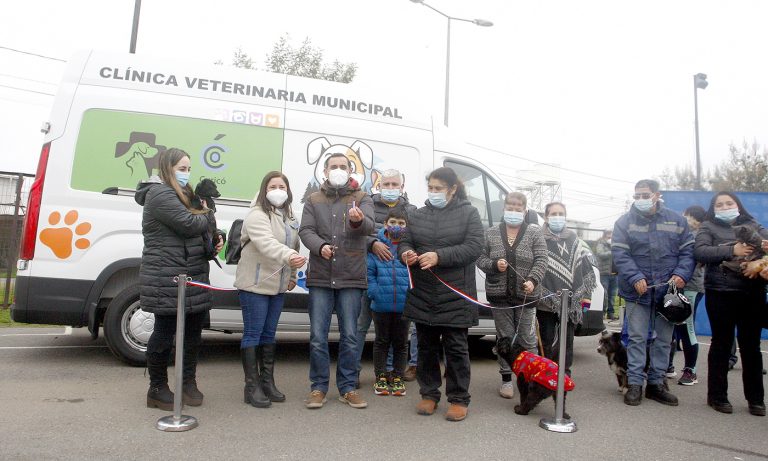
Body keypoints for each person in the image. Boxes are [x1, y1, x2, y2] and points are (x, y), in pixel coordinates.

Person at [135, 148, 223, 410]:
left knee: (193, 335)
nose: (186, 174)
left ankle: (188, 383)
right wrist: (206, 210)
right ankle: (157, 387)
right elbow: (189, 224)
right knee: (164, 333)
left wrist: (214, 243)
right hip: (168, 275)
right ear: (167, 168)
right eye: (181, 169)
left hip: (193, 274)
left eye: (188, 169)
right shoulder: (159, 194)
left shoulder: (186, 195)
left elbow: (199, 235)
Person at [399, 166, 484, 422]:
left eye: (438, 188)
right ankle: (429, 394)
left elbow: (474, 247)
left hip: (455, 293)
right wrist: (406, 253)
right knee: (425, 347)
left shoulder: (469, 213)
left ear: (452, 189)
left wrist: (440, 256)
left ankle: (458, 399)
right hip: (423, 292)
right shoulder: (417, 214)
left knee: (456, 349)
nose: (433, 193)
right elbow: (406, 241)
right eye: (430, 188)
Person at [299, 153, 375, 409]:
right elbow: (305, 231)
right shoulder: (313, 199)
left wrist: (358, 221)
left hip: (351, 276)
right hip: (321, 276)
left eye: (343, 166)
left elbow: (370, 227)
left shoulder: (362, 198)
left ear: (351, 170)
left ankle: (348, 387)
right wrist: (320, 247)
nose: (339, 170)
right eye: (334, 166)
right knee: (318, 337)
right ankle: (318, 388)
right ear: (325, 170)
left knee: (350, 336)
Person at [612, 179, 694, 407]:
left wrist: (681, 275)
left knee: (664, 340)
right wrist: (635, 276)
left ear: (657, 195)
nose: (640, 199)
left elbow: (688, 252)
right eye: (637, 195)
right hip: (636, 292)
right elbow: (620, 254)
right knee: (637, 338)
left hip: (668, 292)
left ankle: (656, 384)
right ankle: (635, 384)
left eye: (645, 195)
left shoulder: (677, 221)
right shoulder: (624, 222)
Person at [235, 171, 306, 408]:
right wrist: (290, 257)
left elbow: (294, 245)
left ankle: (267, 382)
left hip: (278, 285)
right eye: (273, 186)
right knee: (253, 334)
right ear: (265, 189)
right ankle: (251, 386)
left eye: (282, 186)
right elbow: (266, 243)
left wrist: (293, 275)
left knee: (269, 335)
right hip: (255, 284)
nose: (278, 190)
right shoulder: (257, 214)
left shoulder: (290, 216)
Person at [694, 191, 767, 416]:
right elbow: (701, 251)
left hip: (752, 293)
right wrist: (731, 250)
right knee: (721, 345)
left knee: (751, 346)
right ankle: (717, 396)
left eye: (729, 203)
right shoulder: (707, 227)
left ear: (738, 205)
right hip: (720, 292)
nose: (725, 207)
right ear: (713, 209)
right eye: (720, 204)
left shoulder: (753, 224)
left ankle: (756, 399)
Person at [476, 192, 547, 400]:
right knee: (504, 338)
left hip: (526, 295)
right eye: (510, 207)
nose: (513, 211)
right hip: (499, 296)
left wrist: (532, 280)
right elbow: (480, 258)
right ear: (504, 208)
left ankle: (533, 377)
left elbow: (542, 259)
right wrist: (494, 265)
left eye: (518, 208)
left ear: (524, 211)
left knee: (527, 338)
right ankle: (506, 380)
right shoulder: (490, 233)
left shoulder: (534, 233)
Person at [355, 169, 417, 386]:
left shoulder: (411, 210)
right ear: (379, 185)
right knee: (362, 327)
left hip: (399, 285)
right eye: (386, 184)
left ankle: (392, 372)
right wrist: (372, 243)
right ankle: (353, 371)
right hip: (374, 280)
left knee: (399, 337)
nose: (390, 188)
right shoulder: (368, 205)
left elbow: (415, 240)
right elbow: (355, 234)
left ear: (402, 186)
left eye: (394, 184)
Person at [536, 202, 596, 417]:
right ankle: (545, 381)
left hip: (570, 304)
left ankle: (563, 381)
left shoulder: (575, 240)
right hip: (546, 302)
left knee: (566, 344)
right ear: (546, 217)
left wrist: (584, 297)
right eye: (553, 214)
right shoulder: (539, 239)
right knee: (546, 342)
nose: (557, 217)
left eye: (561, 214)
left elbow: (585, 268)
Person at [367, 209, 411, 397]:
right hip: (381, 304)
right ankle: (381, 376)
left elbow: (414, 274)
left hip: (403, 304)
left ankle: (398, 376)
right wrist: (374, 293)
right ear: (385, 224)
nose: (397, 226)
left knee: (401, 343)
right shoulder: (376, 246)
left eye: (401, 223)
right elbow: (369, 273)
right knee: (381, 341)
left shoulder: (409, 247)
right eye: (393, 222)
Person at [668, 205, 706, 386]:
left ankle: (691, 370)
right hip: (674, 284)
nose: (684, 218)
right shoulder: (680, 233)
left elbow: (697, 260)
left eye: (687, 216)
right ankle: (667, 365)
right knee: (671, 325)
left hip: (691, 286)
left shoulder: (701, 236)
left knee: (686, 326)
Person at [595, 229, 619, 321]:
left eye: (612, 234)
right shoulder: (601, 244)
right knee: (604, 294)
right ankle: (601, 314)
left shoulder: (615, 244)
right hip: (604, 273)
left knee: (612, 295)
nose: (610, 236)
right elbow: (601, 254)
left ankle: (611, 313)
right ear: (605, 235)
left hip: (615, 273)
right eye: (609, 234)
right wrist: (613, 250)